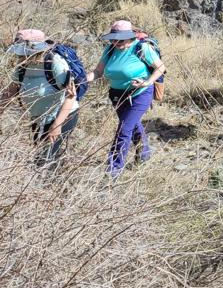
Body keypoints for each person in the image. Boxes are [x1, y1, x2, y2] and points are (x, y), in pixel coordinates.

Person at [1, 30, 80, 170]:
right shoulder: (22, 67)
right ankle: (57, 182)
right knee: (39, 154)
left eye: (22, 52)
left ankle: (50, 186)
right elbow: (10, 91)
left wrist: (56, 125)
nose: (19, 55)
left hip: (62, 116)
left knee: (44, 159)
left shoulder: (55, 63)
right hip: (38, 118)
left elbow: (70, 96)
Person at [95, 20, 164, 176]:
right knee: (131, 125)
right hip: (117, 94)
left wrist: (147, 82)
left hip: (140, 94)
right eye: (113, 39)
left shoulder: (142, 48)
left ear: (130, 37)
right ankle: (145, 153)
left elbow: (160, 68)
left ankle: (113, 170)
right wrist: (81, 79)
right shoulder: (109, 50)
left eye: (120, 39)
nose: (116, 42)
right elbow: (98, 72)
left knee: (123, 129)